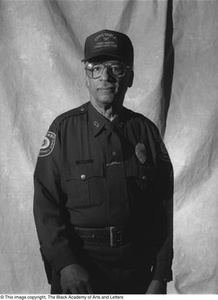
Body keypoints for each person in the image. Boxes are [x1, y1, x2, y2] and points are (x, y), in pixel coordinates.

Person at [33, 29, 173, 294]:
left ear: (129, 77)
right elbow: (45, 205)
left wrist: (161, 275)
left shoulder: (146, 133)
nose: (105, 77)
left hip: (137, 273)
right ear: (87, 78)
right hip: (80, 271)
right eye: (95, 68)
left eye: (115, 68)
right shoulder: (63, 130)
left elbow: (163, 207)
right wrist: (65, 265)